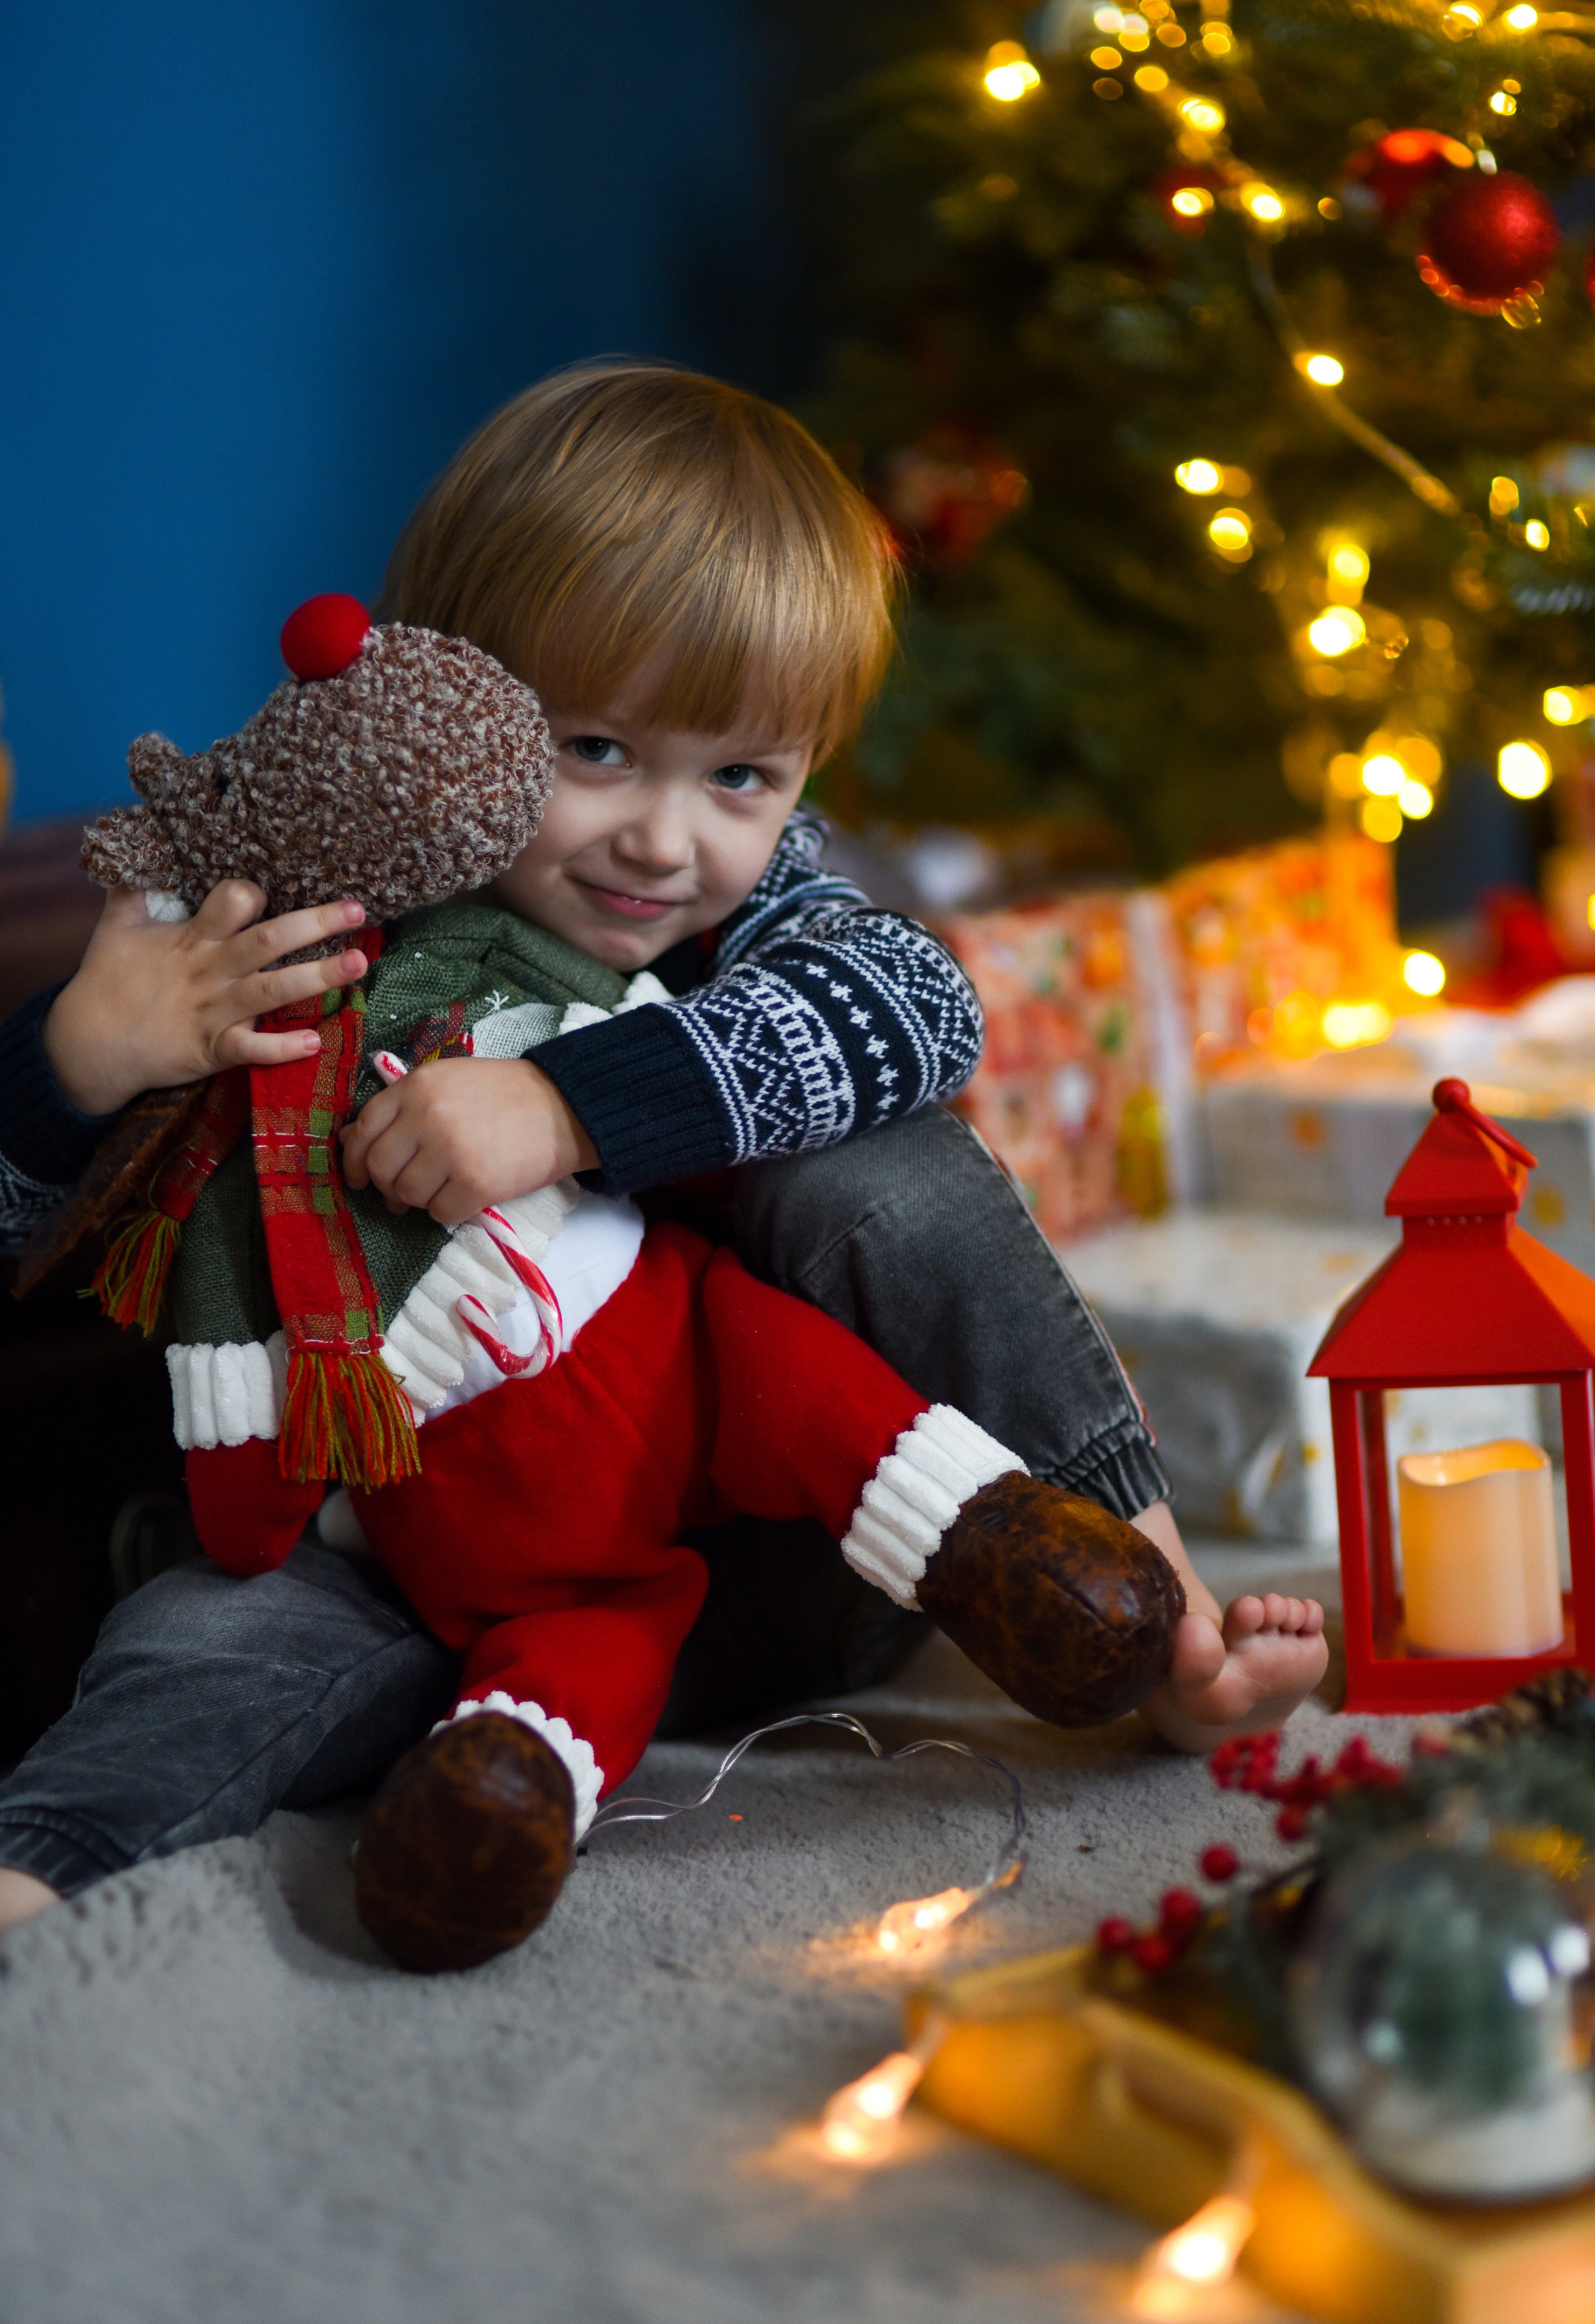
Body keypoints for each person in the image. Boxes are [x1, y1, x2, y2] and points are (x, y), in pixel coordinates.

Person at [0, 363, 1325, 1945]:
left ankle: (1143, 1617)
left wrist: (566, 1107)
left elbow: (916, 1003)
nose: (663, 839)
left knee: (879, 1169)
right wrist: (83, 1062)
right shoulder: (304, 903)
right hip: (405, 1562)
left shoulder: (743, 911)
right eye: (597, 749)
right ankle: (48, 1869)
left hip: (766, 1547)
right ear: (447, 695)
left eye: (741, 777)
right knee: (206, 1640)